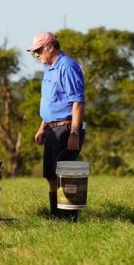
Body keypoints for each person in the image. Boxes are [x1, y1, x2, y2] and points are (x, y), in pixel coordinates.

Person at [28, 31, 86, 220]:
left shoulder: (67, 66)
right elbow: (51, 102)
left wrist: (74, 133)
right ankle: (56, 216)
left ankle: (70, 218)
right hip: (51, 128)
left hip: (66, 128)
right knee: (51, 175)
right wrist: (42, 127)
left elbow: (77, 102)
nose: (36, 55)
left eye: (38, 50)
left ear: (49, 47)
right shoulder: (49, 69)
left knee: (66, 173)